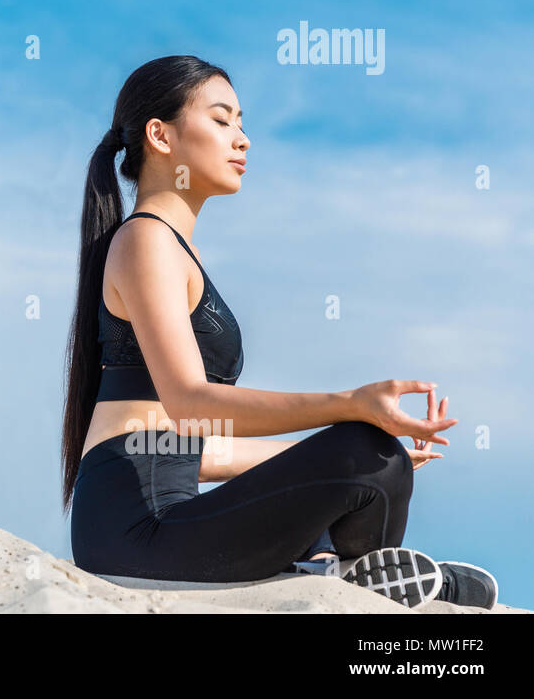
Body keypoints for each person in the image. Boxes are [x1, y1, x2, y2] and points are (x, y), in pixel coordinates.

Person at [60, 55, 498, 609]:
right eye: (222, 120)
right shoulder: (145, 240)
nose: (242, 139)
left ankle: (338, 572)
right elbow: (192, 405)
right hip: (133, 534)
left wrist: (319, 464)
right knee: (364, 448)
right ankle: (345, 574)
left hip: (167, 516)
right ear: (160, 135)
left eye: (242, 123)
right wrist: (352, 406)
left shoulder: (171, 249)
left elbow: (197, 448)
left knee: (374, 459)